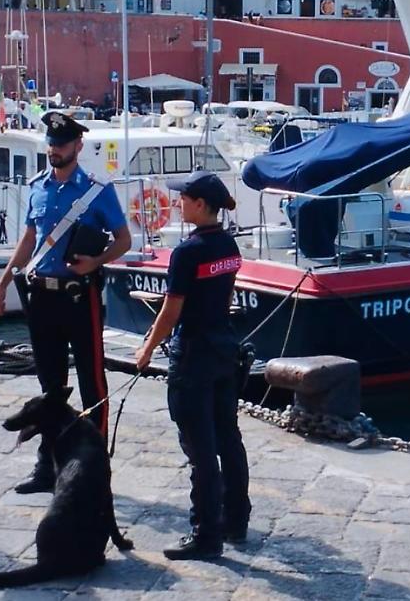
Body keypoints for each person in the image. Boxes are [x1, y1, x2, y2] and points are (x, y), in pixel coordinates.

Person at [0, 112, 132, 493]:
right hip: (42, 296)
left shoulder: (97, 189)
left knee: (91, 380)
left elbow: (123, 239)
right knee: (50, 385)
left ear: (78, 146)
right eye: (51, 144)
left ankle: (93, 462)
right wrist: (3, 282)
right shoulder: (38, 187)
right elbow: (28, 241)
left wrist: (96, 262)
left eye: (62, 145)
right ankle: (48, 466)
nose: (55, 150)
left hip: (78, 296)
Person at [135, 171, 250, 561]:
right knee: (228, 439)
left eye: (184, 198)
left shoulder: (188, 252)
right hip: (223, 348)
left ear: (200, 204)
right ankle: (236, 519)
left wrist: (148, 348)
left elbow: (172, 309)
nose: (178, 202)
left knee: (199, 447)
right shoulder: (228, 245)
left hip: (194, 355)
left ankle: (205, 533)